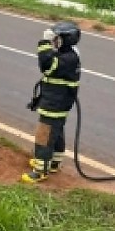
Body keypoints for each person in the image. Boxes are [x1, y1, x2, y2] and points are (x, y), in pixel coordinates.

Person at [22, 21, 81, 183]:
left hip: (54, 104)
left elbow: (46, 65)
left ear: (66, 40)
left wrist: (44, 43)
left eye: (57, 38)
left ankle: (40, 171)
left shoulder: (68, 58)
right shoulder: (69, 54)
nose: (54, 41)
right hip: (59, 103)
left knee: (44, 135)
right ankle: (54, 163)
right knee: (56, 132)